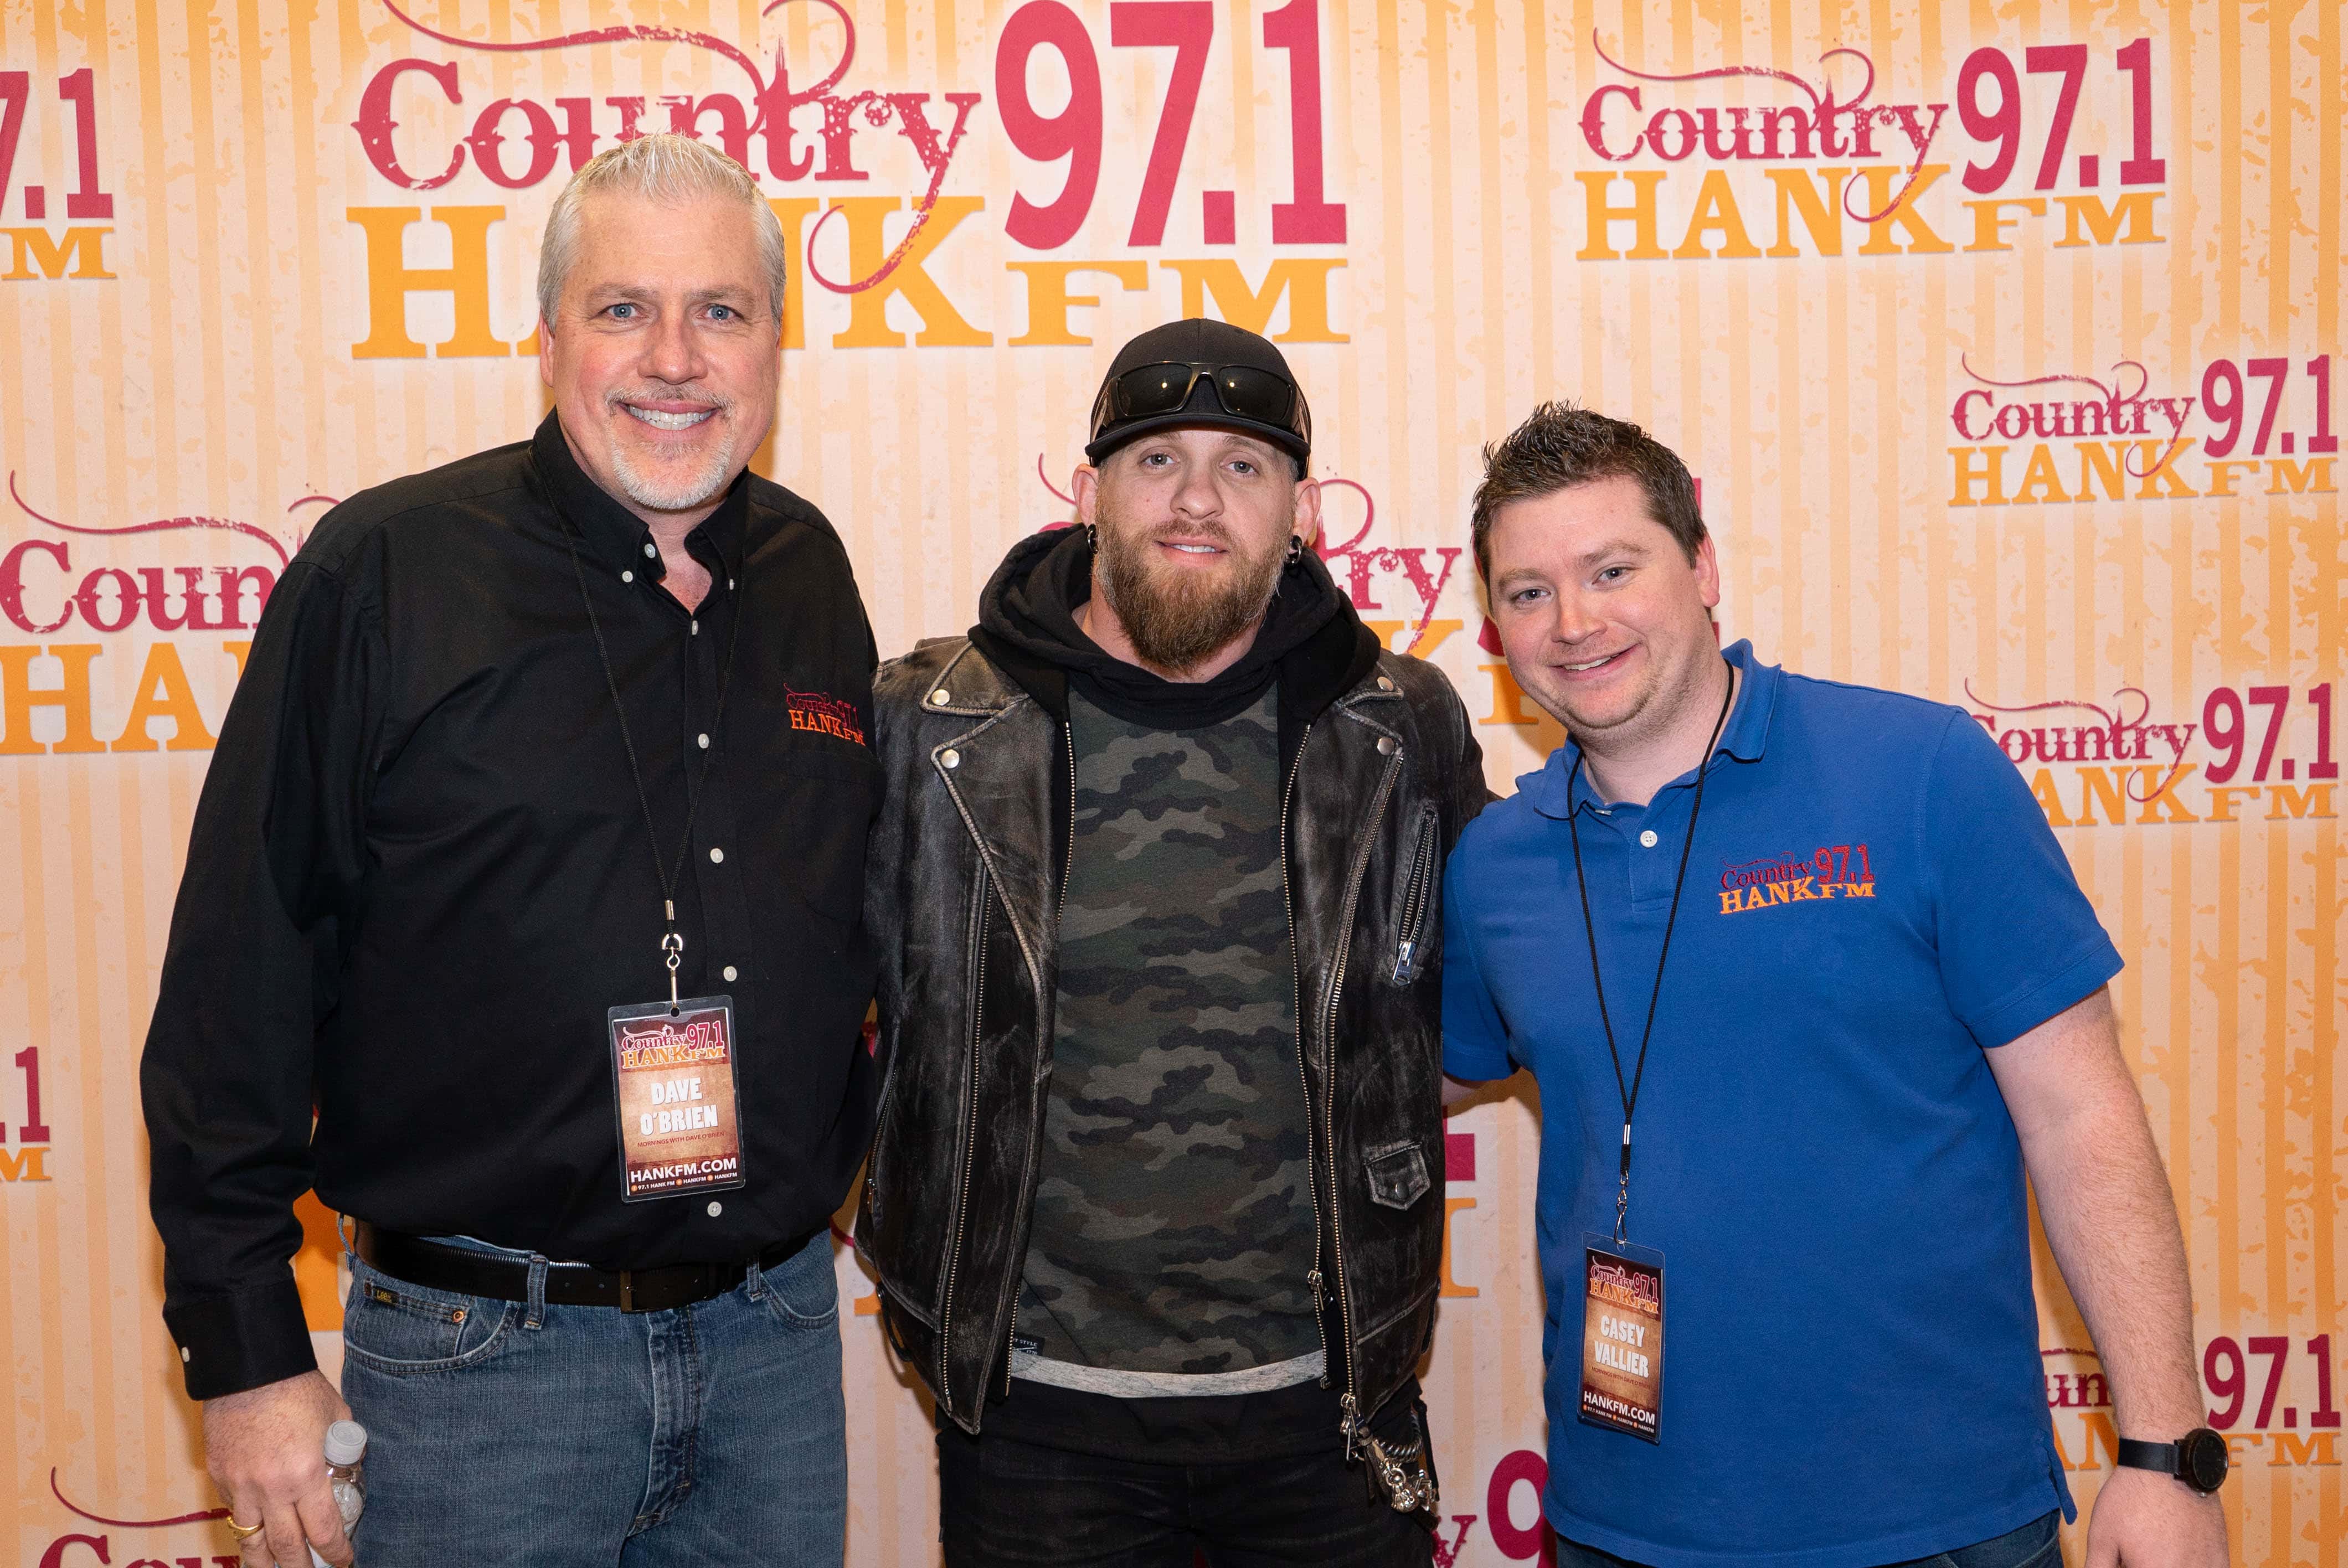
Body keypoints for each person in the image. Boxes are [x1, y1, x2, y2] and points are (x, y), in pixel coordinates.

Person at [140, 133, 878, 1568]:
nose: (674, 356)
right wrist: (243, 1352)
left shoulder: (810, 574)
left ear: (774, 346)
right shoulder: (385, 576)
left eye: (720, 311)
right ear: (548, 339)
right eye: (623, 310)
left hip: (776, 1343)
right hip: (485, 1370)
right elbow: (243, 969)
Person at [1440, 403, 2228, 1568]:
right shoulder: (1494, 864)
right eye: (1526, 592)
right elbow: (1403, 1086)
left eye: (1612, 569)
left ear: (1701, 568)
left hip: (1937, 1524)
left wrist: (2165, 1456)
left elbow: (2080, 1115)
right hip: (1620, 1527)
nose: (1573, 622)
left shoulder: (1919, 775)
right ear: (1496, 625)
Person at [857, 318, 1487, 1565]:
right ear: (1090, 490)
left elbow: (1467, 1014)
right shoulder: (927, 724)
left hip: (1330, 1405)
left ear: (1296, 508)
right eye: (1157, 460)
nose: (1197, 500)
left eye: (1244, 466)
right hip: (1030, 1422)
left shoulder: (1396, 723)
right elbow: (829, 1004)